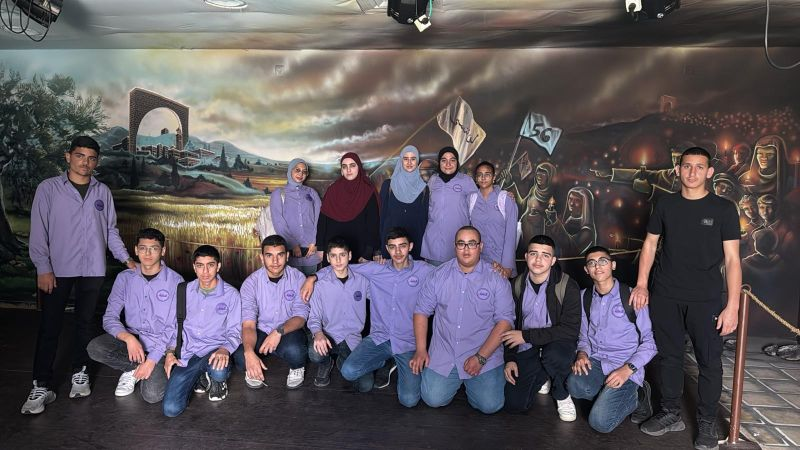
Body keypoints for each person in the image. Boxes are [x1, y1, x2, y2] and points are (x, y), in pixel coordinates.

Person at [632, 147, 741, 450]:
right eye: (687, 166)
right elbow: (650, 245)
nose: (692, 172)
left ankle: (706, 422)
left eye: (699, 167)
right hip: (666, 294)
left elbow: (733, 260)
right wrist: (642, 285)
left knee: (709, 362)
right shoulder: (666, 204)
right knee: (669, 357)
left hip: (706, 299)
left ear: (709, 172)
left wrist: (732, 306)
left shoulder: (724, 209)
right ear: (678, 170)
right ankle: (670, 413)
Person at [23, 136, 136, 415]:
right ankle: (41, 384)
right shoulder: (48, 189)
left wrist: (126, 259)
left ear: (97, 161)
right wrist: (43, 268)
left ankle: (80, 372)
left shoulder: (102, 192)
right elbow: (39, 231)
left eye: (91, 158)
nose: (85, 162)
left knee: (85, 324)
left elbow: (110, 231)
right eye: (80, 156)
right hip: (57, 270)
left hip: (92, 269)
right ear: (68, 156)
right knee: (50, 327)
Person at [302, 227, 436, 405]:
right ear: (387, 248)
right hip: (379, 337)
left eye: (402, 246)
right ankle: (383, 362)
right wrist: (312, 277)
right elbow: (341, 267)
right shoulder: (375, 269)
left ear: (410, 246)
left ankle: (395, 363)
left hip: (407, 341)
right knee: (350, 372)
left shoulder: (424, 270)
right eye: (392, 247)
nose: (397, 251)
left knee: (409, 400)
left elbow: (447, 274)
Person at [412, 226, 515, 414]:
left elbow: (505, 322)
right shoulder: (438, 275)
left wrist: (481, 357)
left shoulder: (497, 278)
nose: (466, 249)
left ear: (480, 246)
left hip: (483, 352)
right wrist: (420, 349)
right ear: (455, 246)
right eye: (461, 244)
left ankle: (475, 384)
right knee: (432, 399)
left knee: (490, 405)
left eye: (472, 244)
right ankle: (459, 381)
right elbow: (421, 311)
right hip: (445, 352)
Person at [87, 228, 184, 403]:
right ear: (136, 250)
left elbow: (174, 327)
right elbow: (109, 317)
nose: (148, 253)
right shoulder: (124, 278)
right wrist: (128, 338)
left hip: (161, 345)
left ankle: (156, 366)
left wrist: (152, 360)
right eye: (143, 248)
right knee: (95, 348)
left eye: (154, 248)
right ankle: (133, 368)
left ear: (163, 251)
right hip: (133, 342)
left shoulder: (176, 281)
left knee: (152, 395)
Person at [567, 246, 657, 433]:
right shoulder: (584, 297)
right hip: (598, 361)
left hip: (626, 366)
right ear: (586, 269)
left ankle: (639, 395)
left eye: (603, 261)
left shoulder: (632, 296)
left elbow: (650, 343)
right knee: (574, 385)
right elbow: (584, 336)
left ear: (613, 265)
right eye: (592, 263)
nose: (597, 266)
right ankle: (608, 394)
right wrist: (582, 353)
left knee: (600, 423)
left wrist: (627, 369)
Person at [501, 235, 580, 421]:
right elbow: (508, 325)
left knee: (554, 355)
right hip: (528, 347)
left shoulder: (567, 285)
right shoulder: (516, 285)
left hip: (556, 344)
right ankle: (545, 373)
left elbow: (570, 330)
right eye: (533, 253)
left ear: (553, 260)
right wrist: (510, 358)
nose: (538, 260)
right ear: (526, 256)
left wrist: (527, 336)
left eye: (545, 255)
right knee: (515, 405)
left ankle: (561, 393)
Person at [162, 245, 241, 417]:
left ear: (218, 266)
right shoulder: (183, 291)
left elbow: (235, 331)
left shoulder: (231, 295)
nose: (205, 271)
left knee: (219, 370)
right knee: (171, 410)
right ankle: (200, 376)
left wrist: (225, 349)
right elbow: (174, 326)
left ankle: (217, 380)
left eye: (210, 265)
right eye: (200, 265)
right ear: (194, 267)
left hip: (215, 351)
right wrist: (169, 353)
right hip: (188, 354)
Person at [234, 235, 310, 390]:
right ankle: (254, 365)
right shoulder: (251, 283)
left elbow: (301, 317)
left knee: (296, 353)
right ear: (262, 258)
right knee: (241, 358)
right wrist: (249, 352)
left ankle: (296, 367)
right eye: (269, 256)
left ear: (287, 256)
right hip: (260, 331)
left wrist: (278, 332)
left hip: (287, 329)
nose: (275, 261)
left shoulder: (298, 278)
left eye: (280, 255)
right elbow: (248, 325)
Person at [307, 237, 372, 392]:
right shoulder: (320, 285)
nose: (338, 260)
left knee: (365, 385)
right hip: (328, 335)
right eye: (333, 256)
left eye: (342, 255)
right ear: (328, 258)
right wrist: (318, 334)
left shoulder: (362, 281)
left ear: (349, 256)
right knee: (314, 353)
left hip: (352, 338)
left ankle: (342, 362)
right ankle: (326, 363)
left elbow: (380, 301)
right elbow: (314, 317)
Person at [316, 152, 380, 263]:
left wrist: (368, 252)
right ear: (341, 170)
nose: (348, 170)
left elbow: (373, 224)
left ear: (359, 167)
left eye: (352, 166)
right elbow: (323, 219)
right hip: (334, 250)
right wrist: (320, 247)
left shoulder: (367, 191)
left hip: (359, 250)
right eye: (344, 167)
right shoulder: (333, 190)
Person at [420, 147, 478, 266]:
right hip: (434, 243)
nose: (448, 164)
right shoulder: (433, 180)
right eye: (444, 160)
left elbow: (479, 206)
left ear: (457, 162)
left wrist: (499, 192)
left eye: (452, 160)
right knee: (435, 275)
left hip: (458, 242)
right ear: (439, 163)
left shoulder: (466, 181)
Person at [270, 158, 322, 275]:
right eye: (297, 170)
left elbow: (319, 218)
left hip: (311, 249)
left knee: (311, 281)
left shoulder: (311, 192)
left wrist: (314, 242)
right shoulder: (279, 193)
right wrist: (293, 245)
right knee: (293, 282)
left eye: (304, 171)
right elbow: (278, 222)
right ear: (290, 171)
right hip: (291, 249)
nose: (300, 174)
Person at [469, 161, 519, 278]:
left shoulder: (506, 199)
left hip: (500, 262)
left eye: (487, 174)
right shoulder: (470, 200)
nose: (483, 178)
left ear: (494, 177)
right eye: (480, 175)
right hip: (478, 261)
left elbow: (511, 236)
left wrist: (507, 266)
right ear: (476, 178)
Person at [379, 145, 428, 260]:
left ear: (417, 161)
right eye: (406, 159)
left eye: (413, 159)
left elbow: (423, 221)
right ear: (401, 160)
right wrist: (380, 247)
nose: (409, 162)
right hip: (391, 244)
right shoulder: (388, 185)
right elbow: (382, 217)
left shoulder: (424, 188)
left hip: (415, 245)